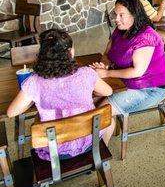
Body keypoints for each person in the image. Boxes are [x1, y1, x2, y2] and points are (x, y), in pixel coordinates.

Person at [7, 29, 114, 160]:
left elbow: (11, 112)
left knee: (38, 118)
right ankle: (100, 157)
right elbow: (108, 91)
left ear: (43, 55)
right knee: (110, 121)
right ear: (70, 52)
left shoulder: (34, 82)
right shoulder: (86, 73)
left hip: (55, 151)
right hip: (89, 141)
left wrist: (34, 99)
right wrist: (89, 89)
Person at [91, 0, 165, 121]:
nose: (116, 19)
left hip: (150, 88)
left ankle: (96, 137)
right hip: (124, 82)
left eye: (121, 15)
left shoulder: (146, 36)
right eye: (115, 14)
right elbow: (107, 53)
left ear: (134, 15)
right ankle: (98, 135)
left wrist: (107, 72)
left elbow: (137, 71)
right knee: (90, 101)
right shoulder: (120, 30)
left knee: (98, 115)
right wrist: (104, 65)